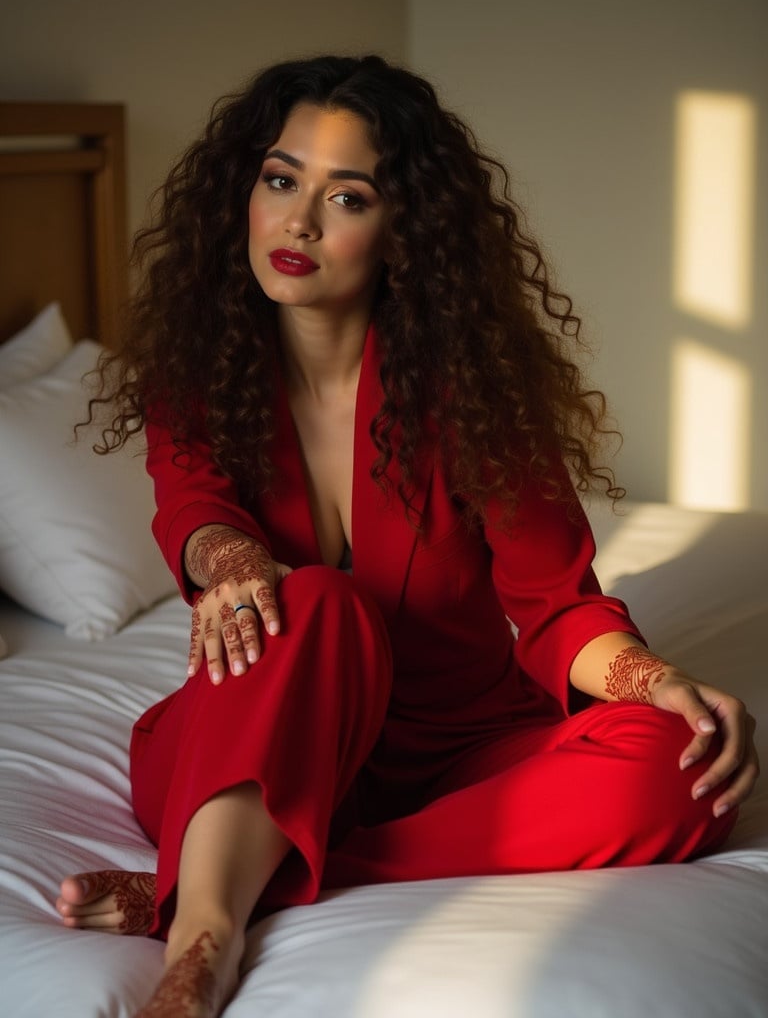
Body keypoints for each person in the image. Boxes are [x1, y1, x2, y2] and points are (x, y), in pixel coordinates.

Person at [56, 54, 758, 1018]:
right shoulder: (201, 370)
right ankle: (202, 940)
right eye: (279, 179)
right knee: (321, 600)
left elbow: (555, 608)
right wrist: (237, 565)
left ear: (401, 236)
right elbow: (193, 510)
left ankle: (242, 875)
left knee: (683, 775)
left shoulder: (476, 398)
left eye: (346, 197)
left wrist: (659, 682)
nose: (299, 221)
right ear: (243, 195)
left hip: (452, 755)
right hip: (254, 745)